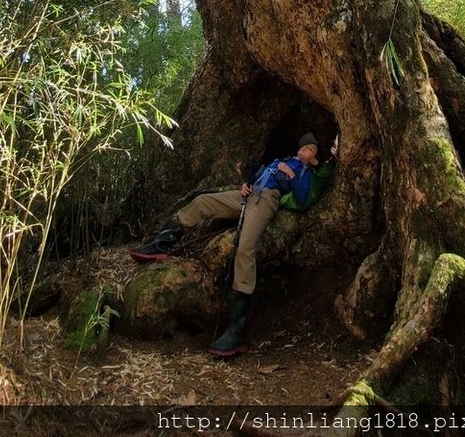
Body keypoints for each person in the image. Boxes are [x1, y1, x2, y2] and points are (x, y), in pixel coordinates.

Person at [129, 132, 337, 357]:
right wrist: (247, 184)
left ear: (314, 159)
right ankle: (161, 244)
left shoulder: (306, 172)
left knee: (245, 248)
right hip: (248, 195)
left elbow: (304, 198)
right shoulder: (282, 161)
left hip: (266, 201)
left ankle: (236, 330)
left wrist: (292, 176)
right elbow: (258, 174)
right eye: (303, 146)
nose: (304, 149)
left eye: (310, 149)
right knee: (202, 202)